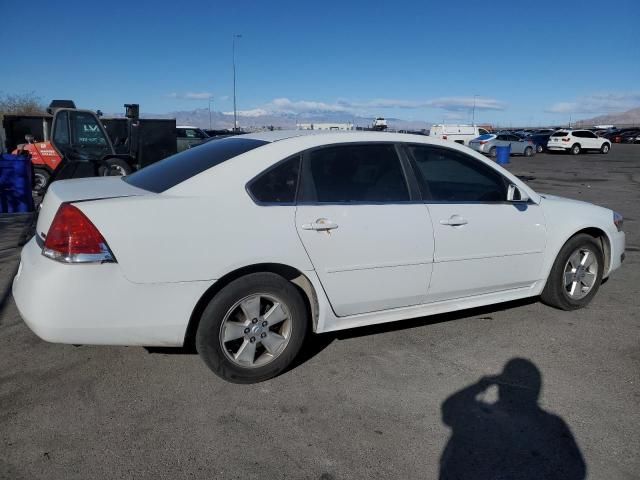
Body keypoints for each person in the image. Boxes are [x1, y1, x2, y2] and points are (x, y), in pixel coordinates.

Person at [440, 358, 586, 480]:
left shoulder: (482, 418)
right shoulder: (552, 425)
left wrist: (482, 384)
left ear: (502, 389)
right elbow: (577, 469)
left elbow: (449, 409)